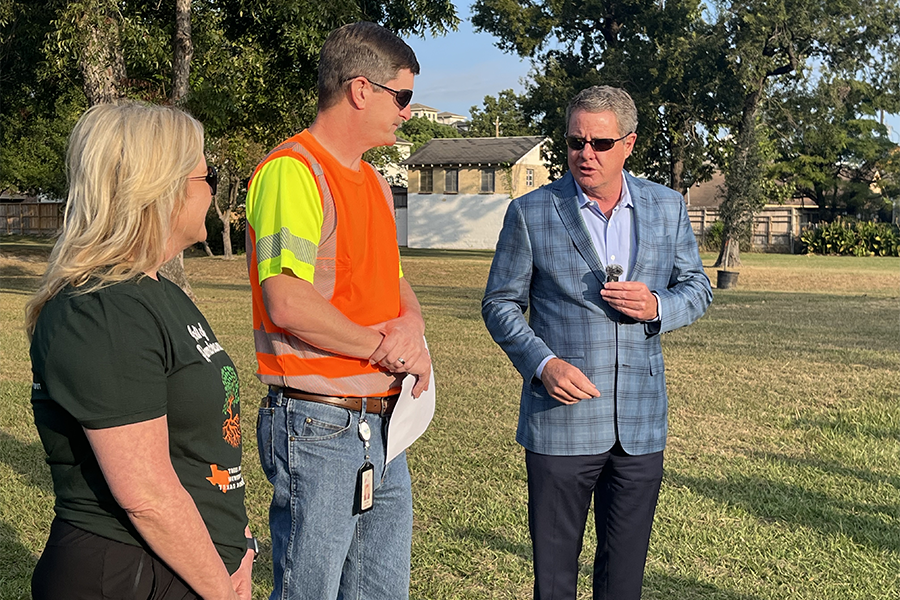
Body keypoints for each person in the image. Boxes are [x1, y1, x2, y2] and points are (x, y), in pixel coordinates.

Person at [482, 85, 712, 600]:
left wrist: (658, 306)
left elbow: (698, 288)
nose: (586, 153)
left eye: (600, 143)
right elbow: (499, 303)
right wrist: (543, 364)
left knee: (624, 579)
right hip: (560, 420)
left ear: (629, 144)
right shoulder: (531, 212)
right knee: (556, 580)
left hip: (639, 425)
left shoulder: (667, 206)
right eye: (575, 141)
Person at [26, 102, 256, 600]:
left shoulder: (160, 293)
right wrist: (220, 588)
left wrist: (242, 546)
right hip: (129, 572)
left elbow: (201, 447)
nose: (214, 188)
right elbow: (147, 496)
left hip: (190, 565)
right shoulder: (101, 310)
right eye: (205, 174)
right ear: (160, 188)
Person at [245, 21, 431, 600]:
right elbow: (287, 300)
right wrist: (383, 348)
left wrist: (415, 333)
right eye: (401, 96)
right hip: (317, 423)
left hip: (382, 423)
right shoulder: (293, 172)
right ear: (360, 89)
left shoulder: (373, 182)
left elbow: (395, 283)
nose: (407, 111)